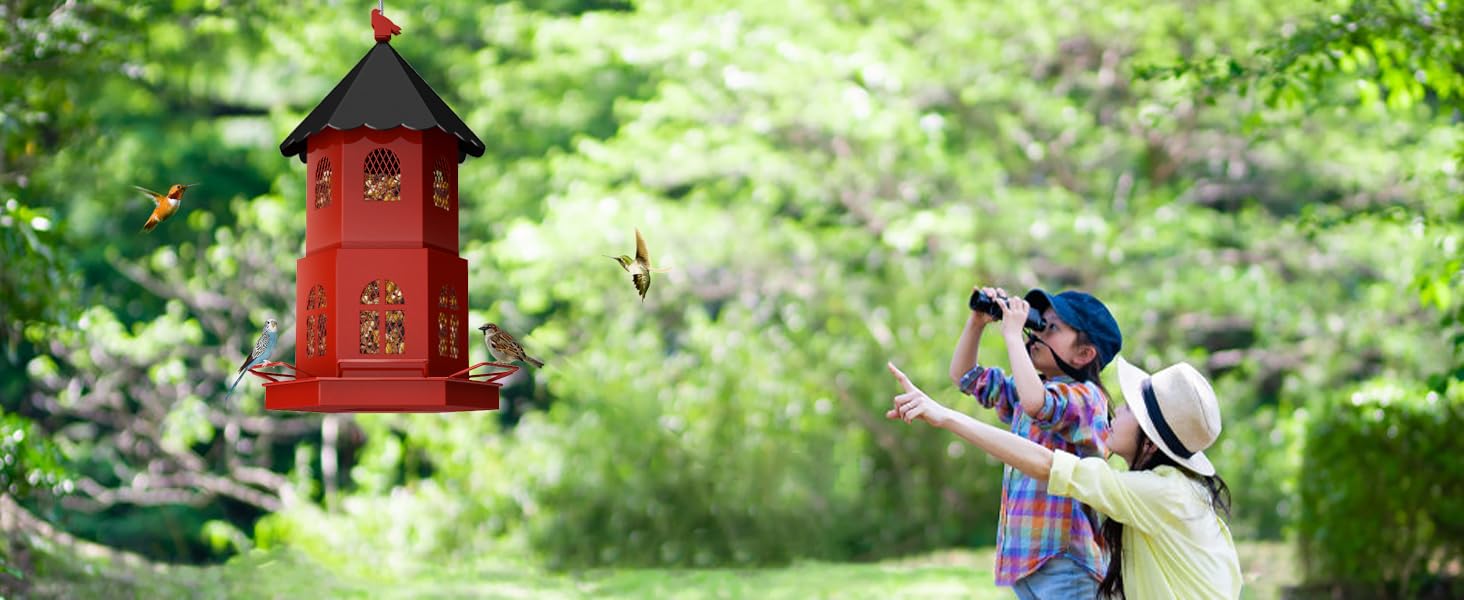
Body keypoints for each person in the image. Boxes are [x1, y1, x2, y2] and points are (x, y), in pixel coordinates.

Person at [887, 356, 1242, 599]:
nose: (1117, 413)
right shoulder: (1174, 490)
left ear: (1149, 441)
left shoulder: (1162, 492)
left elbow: (1046, 465)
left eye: (1131, 411)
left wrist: (945, 416)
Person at [948, 286, 1122, 598]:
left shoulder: (1087, 399)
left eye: (1051, 327)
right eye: (1040, 321)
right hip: (1026, 562)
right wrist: (976, 322)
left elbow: (1037, 404)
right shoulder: (1033, 387)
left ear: (1084, 354)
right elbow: (965, 376)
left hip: (1067, 562)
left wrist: (1013, 337)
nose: (1035, 332)